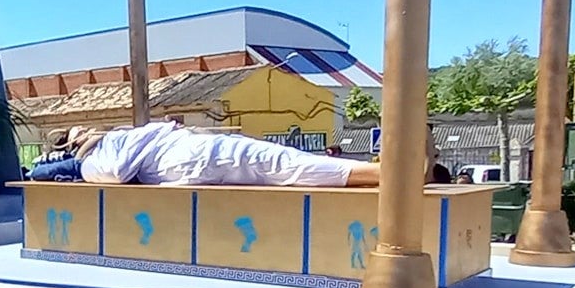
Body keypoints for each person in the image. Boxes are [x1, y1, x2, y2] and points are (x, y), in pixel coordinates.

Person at [71, 121, 381, 188]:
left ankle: (384, 174)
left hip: (192, 160)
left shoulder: (111, 143)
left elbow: (116, 173)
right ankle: (386, 174)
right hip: (194, 158)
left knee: (288, 167)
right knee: (287, 166)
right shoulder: (105, 148)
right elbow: (116, 173)